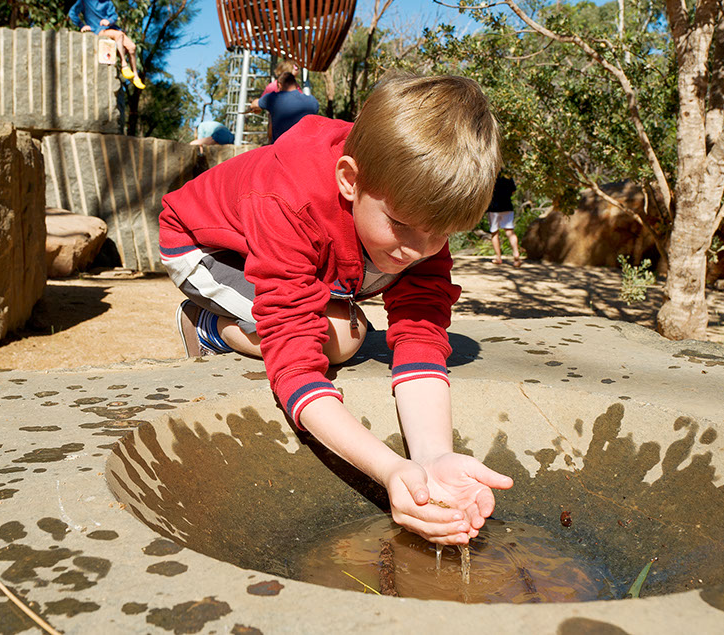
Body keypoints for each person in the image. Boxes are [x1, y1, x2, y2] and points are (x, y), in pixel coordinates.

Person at [158, 75, 513, 545]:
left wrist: (431, 458)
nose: (418, 250)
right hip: (206, 248)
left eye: (441, 234)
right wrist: (388, 470)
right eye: (402, 225)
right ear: (349, 180)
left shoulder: (416, 219)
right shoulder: (291, 195)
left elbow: (420, 329)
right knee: (343, 339)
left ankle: (261, 317)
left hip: (305, 245)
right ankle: (209, 327)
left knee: (353, 320)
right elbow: (296, 362)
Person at [68, 0, 145, 90]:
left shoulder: (107, 2)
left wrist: (108, 21)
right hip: (98, 30)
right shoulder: (84, 1)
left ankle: (135, 75)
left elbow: (114, 15)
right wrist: (82, 25)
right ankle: (124, 64)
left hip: (112, 28)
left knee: (132, 47)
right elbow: (72, 13)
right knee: (118, 35)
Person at [249, 71, 320, 143]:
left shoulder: (273, 98)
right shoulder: (312, 101)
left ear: (279, 85)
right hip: (305, 147)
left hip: (280, 149)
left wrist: (259, 107)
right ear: (295, 84)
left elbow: (253, 105)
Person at [487, 174, 521, 267]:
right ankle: (516, 255)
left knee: (494, 232)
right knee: (510, 231)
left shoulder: (490, 176)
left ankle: (498, 257)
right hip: (507, 206)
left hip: (493, 208)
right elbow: (513, 190)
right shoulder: (507, 176)